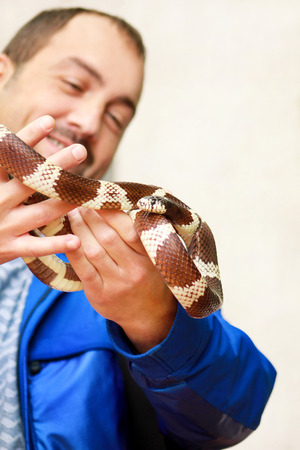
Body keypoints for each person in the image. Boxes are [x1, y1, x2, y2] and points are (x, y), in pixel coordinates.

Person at [0, 7, 276, 450]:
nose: (89, 123)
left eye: (115, 118)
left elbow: (229, 417)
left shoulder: (121, 261)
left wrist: (154, 319)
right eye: (73, 84)